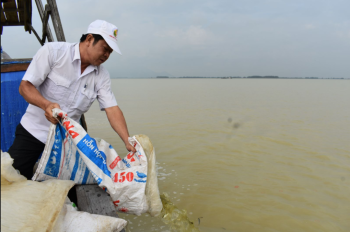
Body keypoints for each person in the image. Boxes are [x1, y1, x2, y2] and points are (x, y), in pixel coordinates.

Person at [8, 20, 136, 186]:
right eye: (105, 49)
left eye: (110, 52)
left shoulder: (101, 75)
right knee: (11, 181)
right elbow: (25, 86)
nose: (107, 56)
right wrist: (46, 105)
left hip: (65, 144)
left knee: (68, 192)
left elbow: (112, 108)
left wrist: (127, 140)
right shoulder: (54, 52)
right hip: (33, 132)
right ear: (89, 39)